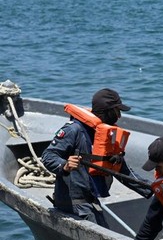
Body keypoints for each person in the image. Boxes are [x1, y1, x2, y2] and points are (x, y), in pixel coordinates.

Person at [41, 88, 145, 226]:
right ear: (106, 111)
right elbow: (48, 156)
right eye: (117, 111)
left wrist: (154, 191)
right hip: (73, 202)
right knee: (103, 233)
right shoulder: (73, 130)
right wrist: (65, 165)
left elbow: (124, 172)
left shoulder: (107, 137)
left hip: (91, 199)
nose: (119, 116)